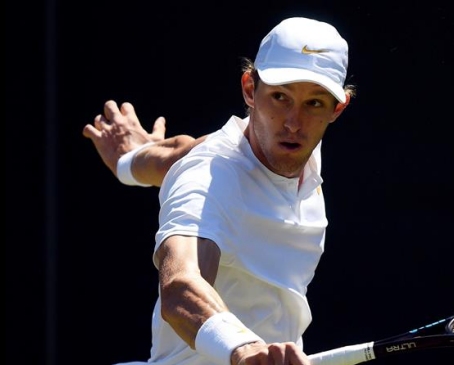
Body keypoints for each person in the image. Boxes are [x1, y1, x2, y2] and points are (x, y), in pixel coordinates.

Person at [82, 17, 356, 365]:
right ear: (248, 89)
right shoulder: (212, 179)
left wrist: (129, 162)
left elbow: (180, 150)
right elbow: (181, 286)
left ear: (338, 108)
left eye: (313, 103)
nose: (292, 122)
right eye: (279, 96)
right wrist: (244, 348)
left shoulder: (294, 148)